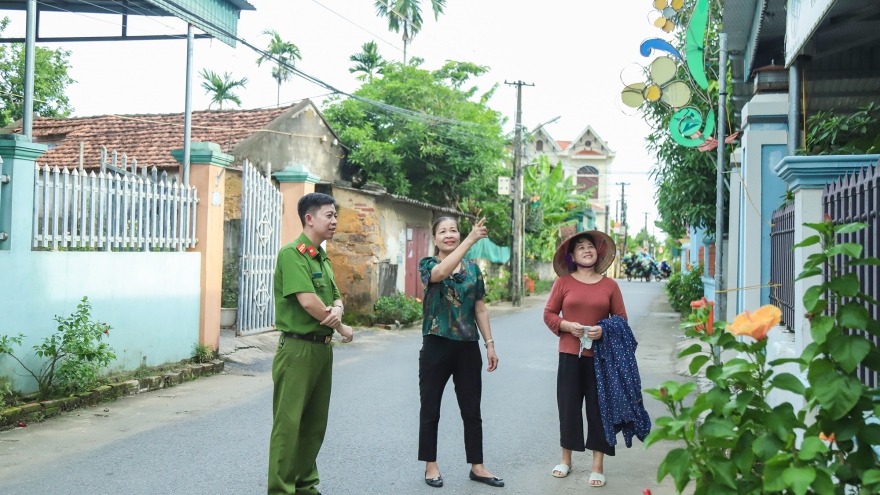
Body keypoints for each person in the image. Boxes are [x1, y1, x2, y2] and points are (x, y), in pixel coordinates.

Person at [268, 192, 354, 495]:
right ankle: (281, 490)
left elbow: (334, 296)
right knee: (288, 426)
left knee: (314, 426)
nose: (334, 221)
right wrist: (342, 326)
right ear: (309, 218)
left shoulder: (321, 256)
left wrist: (339, 309)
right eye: (329, 215)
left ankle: (305, 486)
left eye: (334, 215)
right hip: (297, 349)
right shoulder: (293, 254)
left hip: (321, 348)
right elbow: (309, 302)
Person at [418, 216, 504, 489]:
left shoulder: (473, 270)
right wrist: (470, 239)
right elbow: (441, 274)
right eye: (443, 231)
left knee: (471, 409)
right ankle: (431, 465)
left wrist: (489, 343)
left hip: (467, 346)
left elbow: (479, 307)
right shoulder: (428, 264)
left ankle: (477, 466)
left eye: (453, 230)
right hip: (436, 344)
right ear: (434, 239)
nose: (449, 234)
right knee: (431, 408)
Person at [543, 230, 627, 488]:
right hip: (569, 355)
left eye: (590, 246)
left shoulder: (610, 285)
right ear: (573, 256)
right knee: (568, 408)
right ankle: (566, 460)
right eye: (580, 247)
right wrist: (567, 325)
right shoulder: (563, 283)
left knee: (598, 410)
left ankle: (597, 466)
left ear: (597, 253)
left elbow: (621, 320)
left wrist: (605, 329)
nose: (587, 250)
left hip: (600, 359)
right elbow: (549, 314)